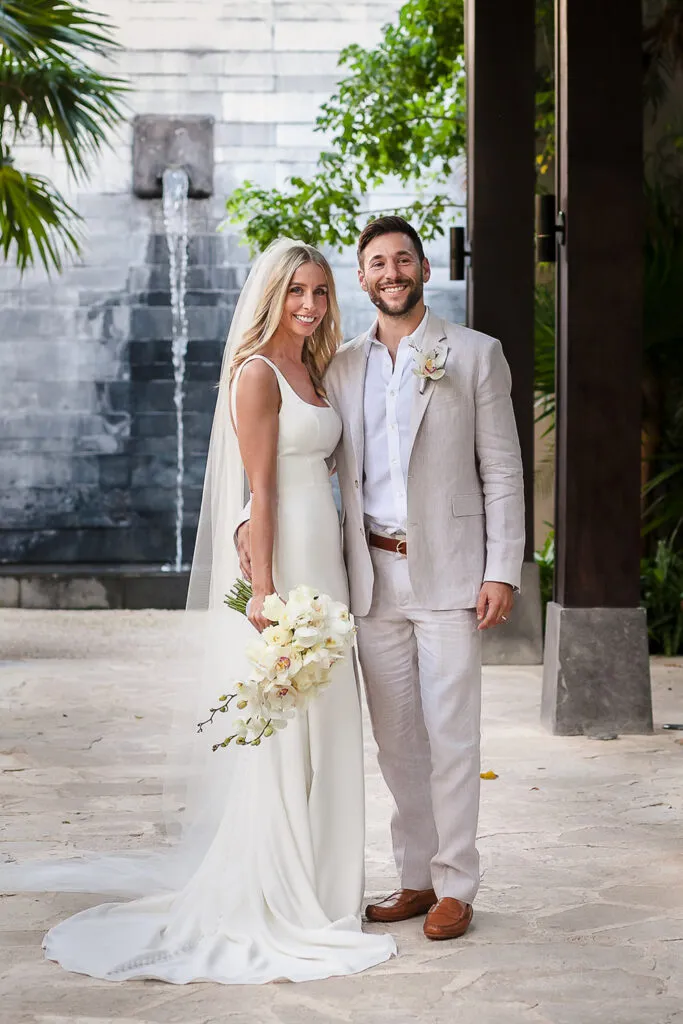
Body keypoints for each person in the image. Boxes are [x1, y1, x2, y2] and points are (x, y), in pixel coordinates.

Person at [0, 239, 396, 983]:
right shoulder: (256, 375)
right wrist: (268, 589)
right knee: (286, 732)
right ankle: (281, 891)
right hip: (292, 567)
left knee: (332, 725)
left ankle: (327, 888)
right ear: (272, 296)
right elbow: (263, 491)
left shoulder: (314, 369)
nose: (309, 306)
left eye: (318, 292)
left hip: (330, 566)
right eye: (295, 293)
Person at [238, 216, 525, 941]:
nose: (389, 272)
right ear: (361, 280)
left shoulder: (473, 354)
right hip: (365, 578)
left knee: (453, 735)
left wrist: (502, 569)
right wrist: (248, 527)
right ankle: (415, 878)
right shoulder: (338, 367)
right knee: (396, 741)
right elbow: (296, 460)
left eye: (402, 260)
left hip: (453, 576)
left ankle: (457, 883)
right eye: (375, 263)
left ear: (424, 271)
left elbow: (501, 469)